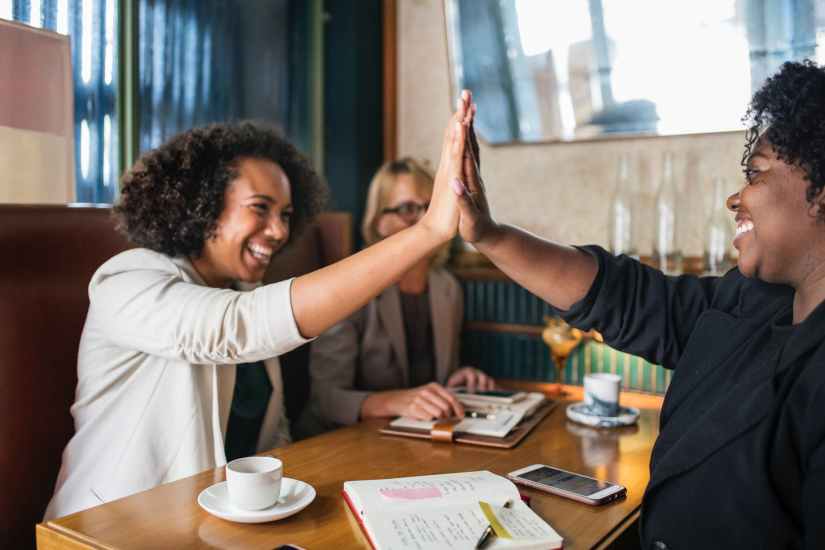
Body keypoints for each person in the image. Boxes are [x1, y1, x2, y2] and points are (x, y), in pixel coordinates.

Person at [44, 95, 476, 520]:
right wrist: (428, 230)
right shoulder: (126, 279)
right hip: (106, 528)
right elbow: (234, 329)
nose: (278, 231)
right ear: (203, 204)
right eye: (260, 209)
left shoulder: (245, 294)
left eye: (286, 215)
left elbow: (272, 438)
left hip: (214, 529)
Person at [455, 60, 825, 548]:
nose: (736, 198)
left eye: (755, 174)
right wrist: (488, 233)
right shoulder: (755, 303)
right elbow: (627, 298)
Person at [298, 158, 494, 435]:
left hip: (417, 438)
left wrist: (457, 381)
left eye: (432, 207)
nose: (427, 220)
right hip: (346, 441)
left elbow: (429, 381)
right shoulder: (350, 288)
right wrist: (394, 402)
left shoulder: (446, 287)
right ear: (379, 222)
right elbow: (326, 401)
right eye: (407, 208)